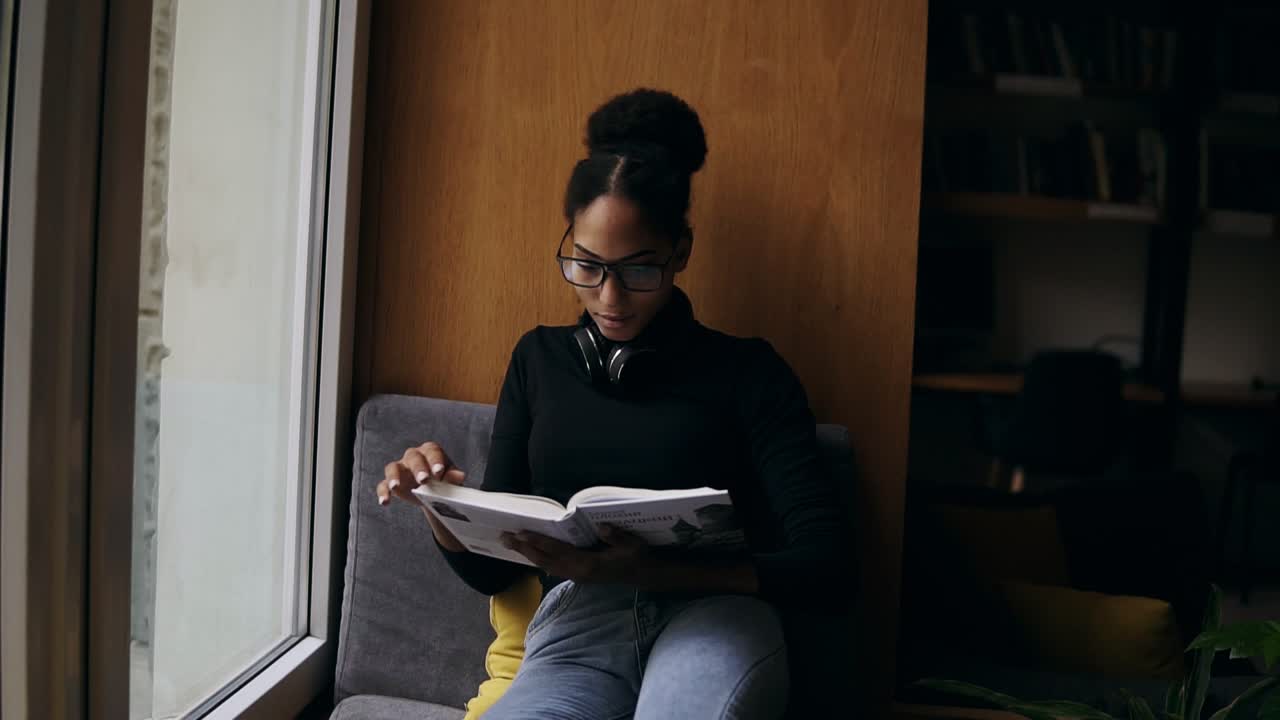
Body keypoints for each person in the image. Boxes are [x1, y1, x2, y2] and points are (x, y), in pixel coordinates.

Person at [377, 88, 851, 720]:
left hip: (712, 614)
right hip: (578, 623)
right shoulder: (538, 361)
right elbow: (495, 575)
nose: (610, 298)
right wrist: (440, 505)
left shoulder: (749, 373)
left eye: (638, 270)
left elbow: (827, 566)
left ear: (680, 252)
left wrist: (661, 574)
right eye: (587, 266)